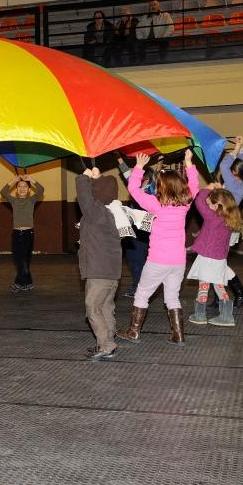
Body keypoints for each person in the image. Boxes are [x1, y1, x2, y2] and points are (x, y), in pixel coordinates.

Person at [117, 150, 199, 346]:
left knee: (142, 293)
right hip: (178, 262)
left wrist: (137, 167)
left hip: (157, 261)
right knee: (172, 297)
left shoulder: (155, 205)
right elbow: (194, 186)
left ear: (162, 187)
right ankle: (178, 335)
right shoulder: (185, 205)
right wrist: (189, 163)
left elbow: (134, 190)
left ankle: (134, 332)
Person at [76, 167, 122, 361]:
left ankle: (106, 345)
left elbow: (84, 198)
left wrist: (84, 178)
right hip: (111, 272)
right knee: (105, 307)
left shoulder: (97, 212)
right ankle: (108, 337)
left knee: (92, 306)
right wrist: (98, 178)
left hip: (98, 272)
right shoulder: (112, 211)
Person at [187, 184, 243, 327]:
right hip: (220, 259)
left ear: (218, 205)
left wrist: (208, 188)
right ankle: (226, 315)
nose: (207, 205)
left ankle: (200, 315)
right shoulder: (228, 219)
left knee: (204, 285)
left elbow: (199, 201)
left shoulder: (213, 218)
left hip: (208, 258)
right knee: (218, 285)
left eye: (209, 203)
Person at [217, 135, 243, 309]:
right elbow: (239, 165)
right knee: (217, 262)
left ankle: (240, 293)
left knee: (217, 262)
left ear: (233, 173)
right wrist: (242, 149)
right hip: (230, 225)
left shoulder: (231, 183)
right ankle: (220, 298)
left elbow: (225, 165)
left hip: (223, 226)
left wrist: (237, 147)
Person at [117, 155, 155, 297]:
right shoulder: (142, 187)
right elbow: (127, 173)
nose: (134, 176)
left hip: (143, 231)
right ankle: (139, 284)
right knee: (135, 259)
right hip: (138, 229)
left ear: (146, 178)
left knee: (137, 260)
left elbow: (129, 176)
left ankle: (141, 287)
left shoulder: (148, 192)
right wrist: (119, 158)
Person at [1, 175, 44, 292]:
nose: (22, 188)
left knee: (25, 259)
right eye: (19, 186)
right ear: (16, 190)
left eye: (25, 186)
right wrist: (13, 180)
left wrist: (31, 179)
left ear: (29, 190)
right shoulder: (14, 201)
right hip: (16, 234)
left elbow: (41, 190)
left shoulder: (31, 200)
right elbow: (3, 192)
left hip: (28, 234)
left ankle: (19, 283)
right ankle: (28, 283)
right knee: (19, 259)